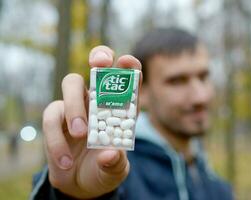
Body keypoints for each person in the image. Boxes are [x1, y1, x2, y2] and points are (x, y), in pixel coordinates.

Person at [30, 27, 233, 200]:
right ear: (141, 90)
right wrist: (74, 196)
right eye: (177, 81)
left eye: (203, 77)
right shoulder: (114, 170)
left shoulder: (218, 185)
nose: (200, 97)